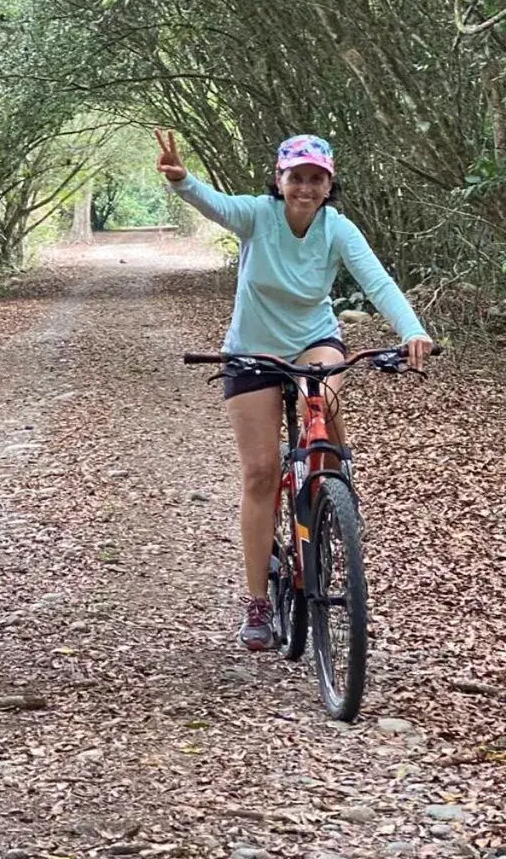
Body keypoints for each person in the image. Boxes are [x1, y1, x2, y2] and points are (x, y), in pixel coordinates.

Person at [155, 130, 433, 651]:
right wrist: (182, 179)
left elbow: (377, 283)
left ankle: (331, 487)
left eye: (316, 179)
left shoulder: (338, 229)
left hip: (312, 341)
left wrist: (411, 329)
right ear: (279, 181)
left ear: (329, 186)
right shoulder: (256, 216)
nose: (305, 187)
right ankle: (257, 601)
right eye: (296, 177)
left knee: (323, 395)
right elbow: (213, 204)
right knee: (260, 472)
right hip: (252, 349)